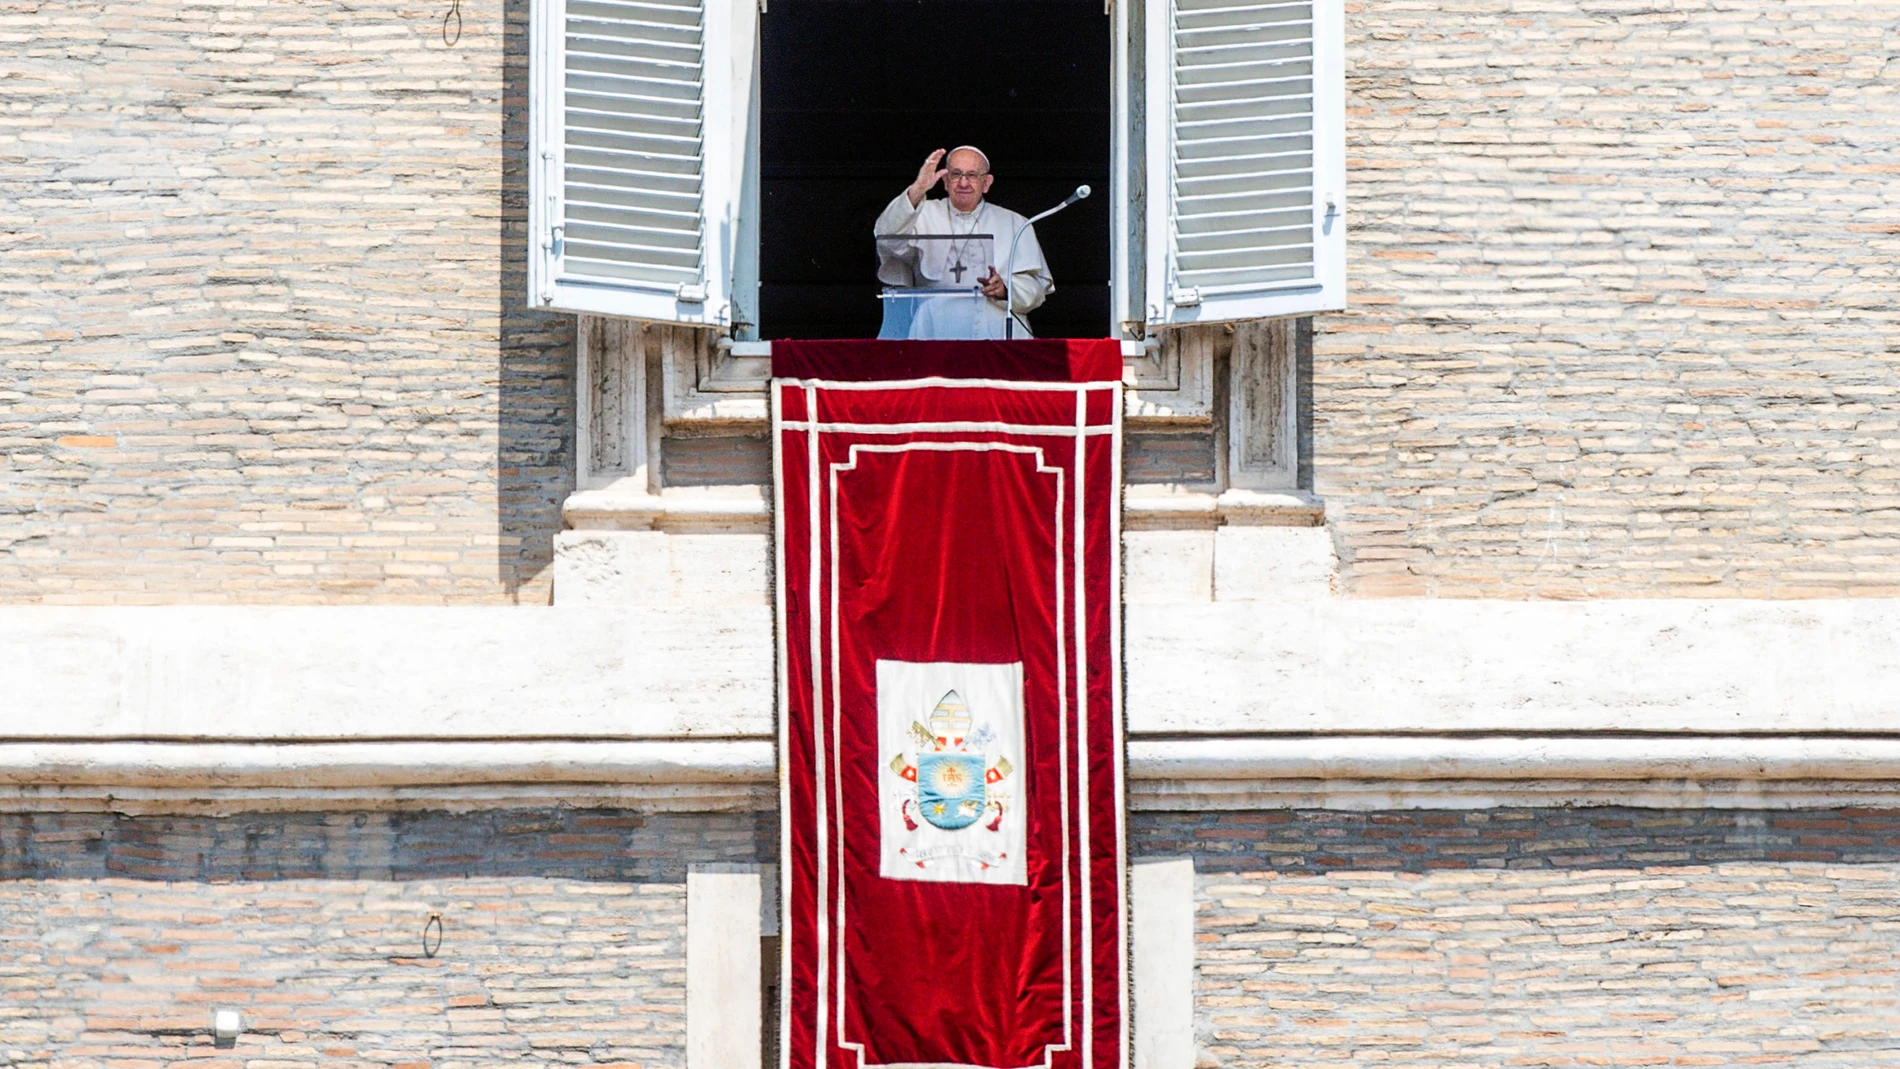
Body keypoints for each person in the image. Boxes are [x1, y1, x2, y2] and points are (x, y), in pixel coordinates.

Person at [874, 146, 1053, 339]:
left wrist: (1005, 289)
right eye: (956, 174)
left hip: (996, 327)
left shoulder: (1015, 223)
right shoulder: (921, 213)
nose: (963, 183)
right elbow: (886, 239)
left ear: (987, 182)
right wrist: (918, 189)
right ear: (945, 181)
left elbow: (1036, 288)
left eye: (972, 175)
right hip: (933, 326)